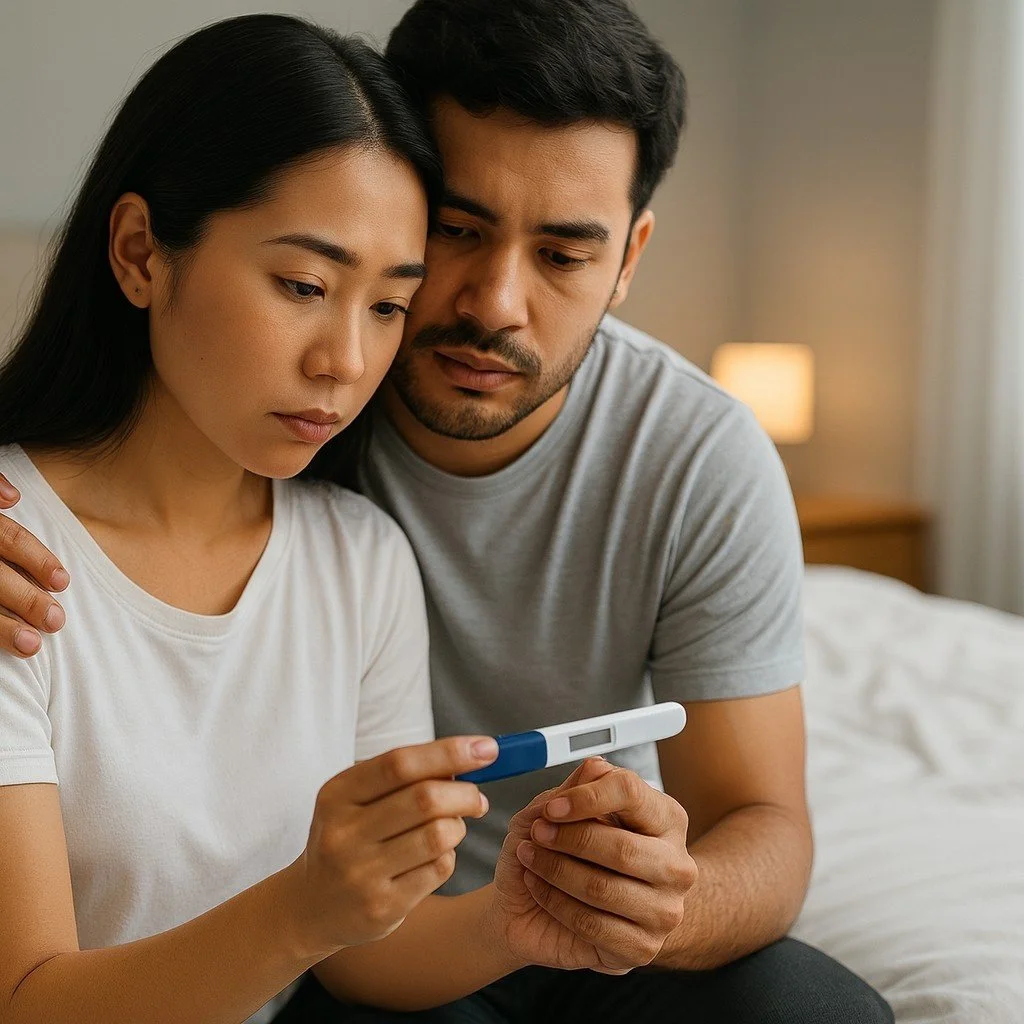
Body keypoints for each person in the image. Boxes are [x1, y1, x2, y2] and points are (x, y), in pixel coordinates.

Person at [0, 2, 894, 1022]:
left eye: (561, 255)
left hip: (460, 927)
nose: (492, 305)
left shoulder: (371, 546)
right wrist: (312, 913)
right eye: (456, 233)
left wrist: (612, 908)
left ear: (628, 256)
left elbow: (758, 820)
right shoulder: (61, 542)